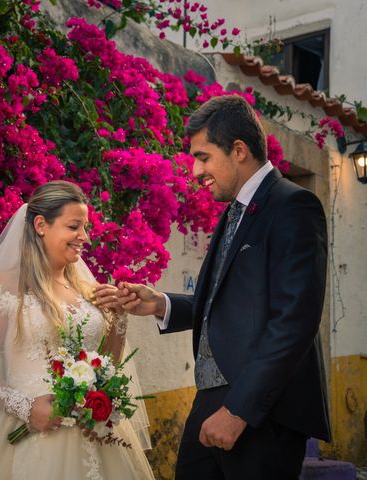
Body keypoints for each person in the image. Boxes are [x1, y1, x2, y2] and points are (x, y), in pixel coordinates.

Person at [96, 95, 331, 479]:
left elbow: (295, 320)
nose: (194, 170)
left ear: (238, 150)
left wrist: (239, 410)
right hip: (213, 399)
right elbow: (234, 303)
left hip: (259, 410)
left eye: (203, 157)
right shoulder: (236, 211)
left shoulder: (293, 205)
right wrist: (160, 304)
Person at [0, 180, 155, 479]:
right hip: (28, 431)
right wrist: (26, 408)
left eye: (85, 228)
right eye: (74, 227)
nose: (84, 237)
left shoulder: (89, 289)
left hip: (93, 430)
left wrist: (119, 317)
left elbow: (108, 364)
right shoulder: (6, 287)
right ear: (42, 225)